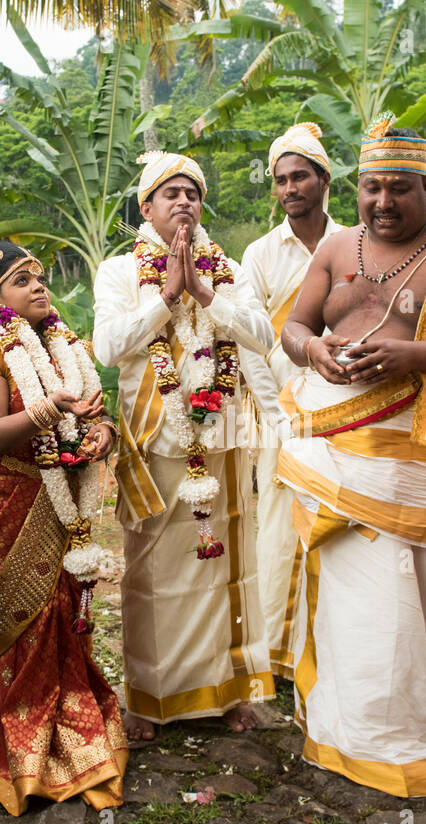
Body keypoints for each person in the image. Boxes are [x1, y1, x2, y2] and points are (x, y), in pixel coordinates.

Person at [277, 118, 426, 797]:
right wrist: (314, 350)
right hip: (339, 438)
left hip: (419, 445)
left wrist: (413, 355)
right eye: (372, 187)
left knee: (425, 600)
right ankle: (350, 732)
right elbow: (297, 326)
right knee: (356, 600)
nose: (383, 202)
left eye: (399, 189)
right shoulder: (335, 247)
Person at [93, 153, 276, 742]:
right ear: (145, 207)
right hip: (156, 441)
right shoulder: (120, 270)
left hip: (221, 439)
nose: (184, 203)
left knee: (221, 566)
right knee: (151, 574)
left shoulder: (225, 269)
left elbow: (263, 335)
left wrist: (203, 291)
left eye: (192, 195)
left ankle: (225, 694)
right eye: (170, 194)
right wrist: (167, 298)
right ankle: (149, 697)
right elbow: (108, 347)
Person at [0, 239, 127, 813]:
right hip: (3, 497)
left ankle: (74, 730)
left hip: (60, 497)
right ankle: (21, 751)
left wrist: (100, 434)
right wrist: (53, 410)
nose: (38, 287)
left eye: (39, 277)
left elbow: (91, 411)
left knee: (63, 610)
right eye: (21, 280)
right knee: (21, 618)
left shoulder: (59, 341)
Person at [240, 122, 346, 680]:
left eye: (300, 176)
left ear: (324, 179)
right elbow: (250, 342)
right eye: (280, 180)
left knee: (339, 519)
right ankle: (276, 656)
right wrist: (273, 410)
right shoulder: (259, 254)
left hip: (343, 404)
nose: (289, 188)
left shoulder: (353, 243)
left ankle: (333, 646)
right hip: (279, 410)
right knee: (278, 526)